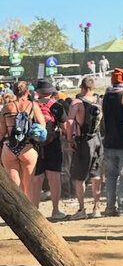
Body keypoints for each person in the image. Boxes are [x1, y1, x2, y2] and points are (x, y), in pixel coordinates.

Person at [0, 81, 46, 196]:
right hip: (27, 146)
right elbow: (42, 125)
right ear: (28, 91)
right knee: (29, 184)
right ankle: (28, 206)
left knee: (15, 186)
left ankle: (17, 206)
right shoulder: (32, 105)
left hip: (9, 147)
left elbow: (2, 131)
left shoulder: (6, 107)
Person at [31, 79, 68, 221]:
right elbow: (65, 127)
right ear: (51, 91)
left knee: (37, 179)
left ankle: (34, 211)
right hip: (53, 144)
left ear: (38, 92)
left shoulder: (32, 105)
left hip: (35, 145)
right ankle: (56, 210)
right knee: (54, 177)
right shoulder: (57, 106)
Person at [101, 67, 123, 217]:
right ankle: (122, 207)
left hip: (109, 141)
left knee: (110, 176)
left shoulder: (106, 96)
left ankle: (110, 207)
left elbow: (104, 119)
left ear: (112, 80)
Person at [68, 76, 103, 219]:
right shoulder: (99, 101)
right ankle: (96, 208)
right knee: (96, 174)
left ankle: (81, 209)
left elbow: (70, 122)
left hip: (82, 141)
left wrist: (70, 139)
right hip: (97, 139)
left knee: (79, 177)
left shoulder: (77, 102)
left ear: (81, 87)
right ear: (93, 87)